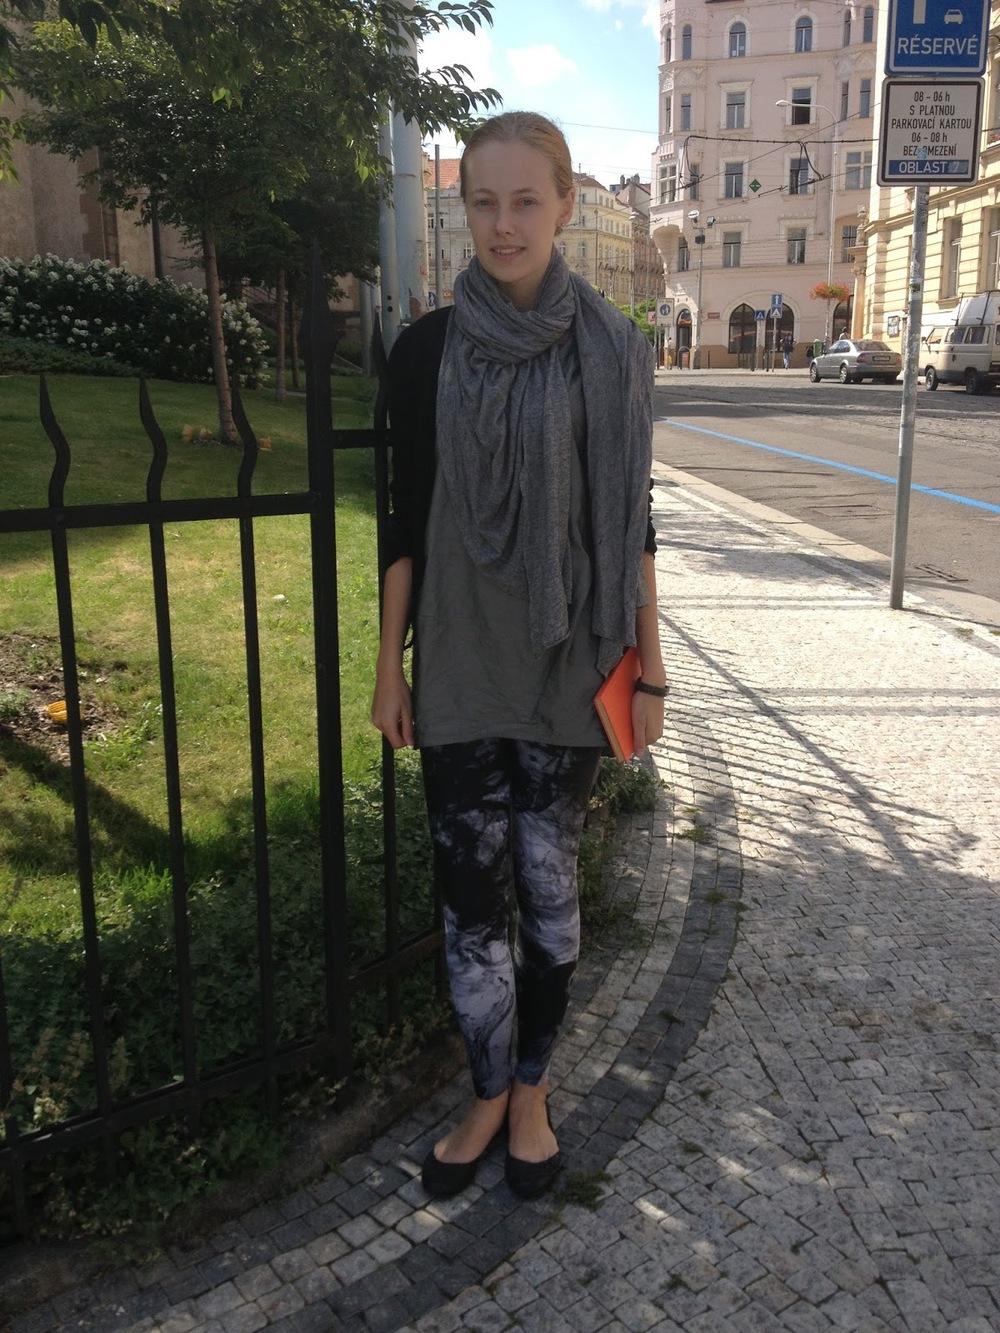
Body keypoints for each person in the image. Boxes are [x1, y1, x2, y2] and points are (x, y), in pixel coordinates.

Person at [370, 111, 666, 1202]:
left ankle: (532, 1092)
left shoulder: (612, 351)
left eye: (525, 201)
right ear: (463, 211)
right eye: (484, 203)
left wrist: (650, 663)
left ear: (565, 205)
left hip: (567, 663)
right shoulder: (425, 351)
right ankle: (486, 1091)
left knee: (547, 894)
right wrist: (389, 665)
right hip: (457, 663)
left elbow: (631, 518)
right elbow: (403, 520)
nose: (504, 224)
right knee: (468, 903)